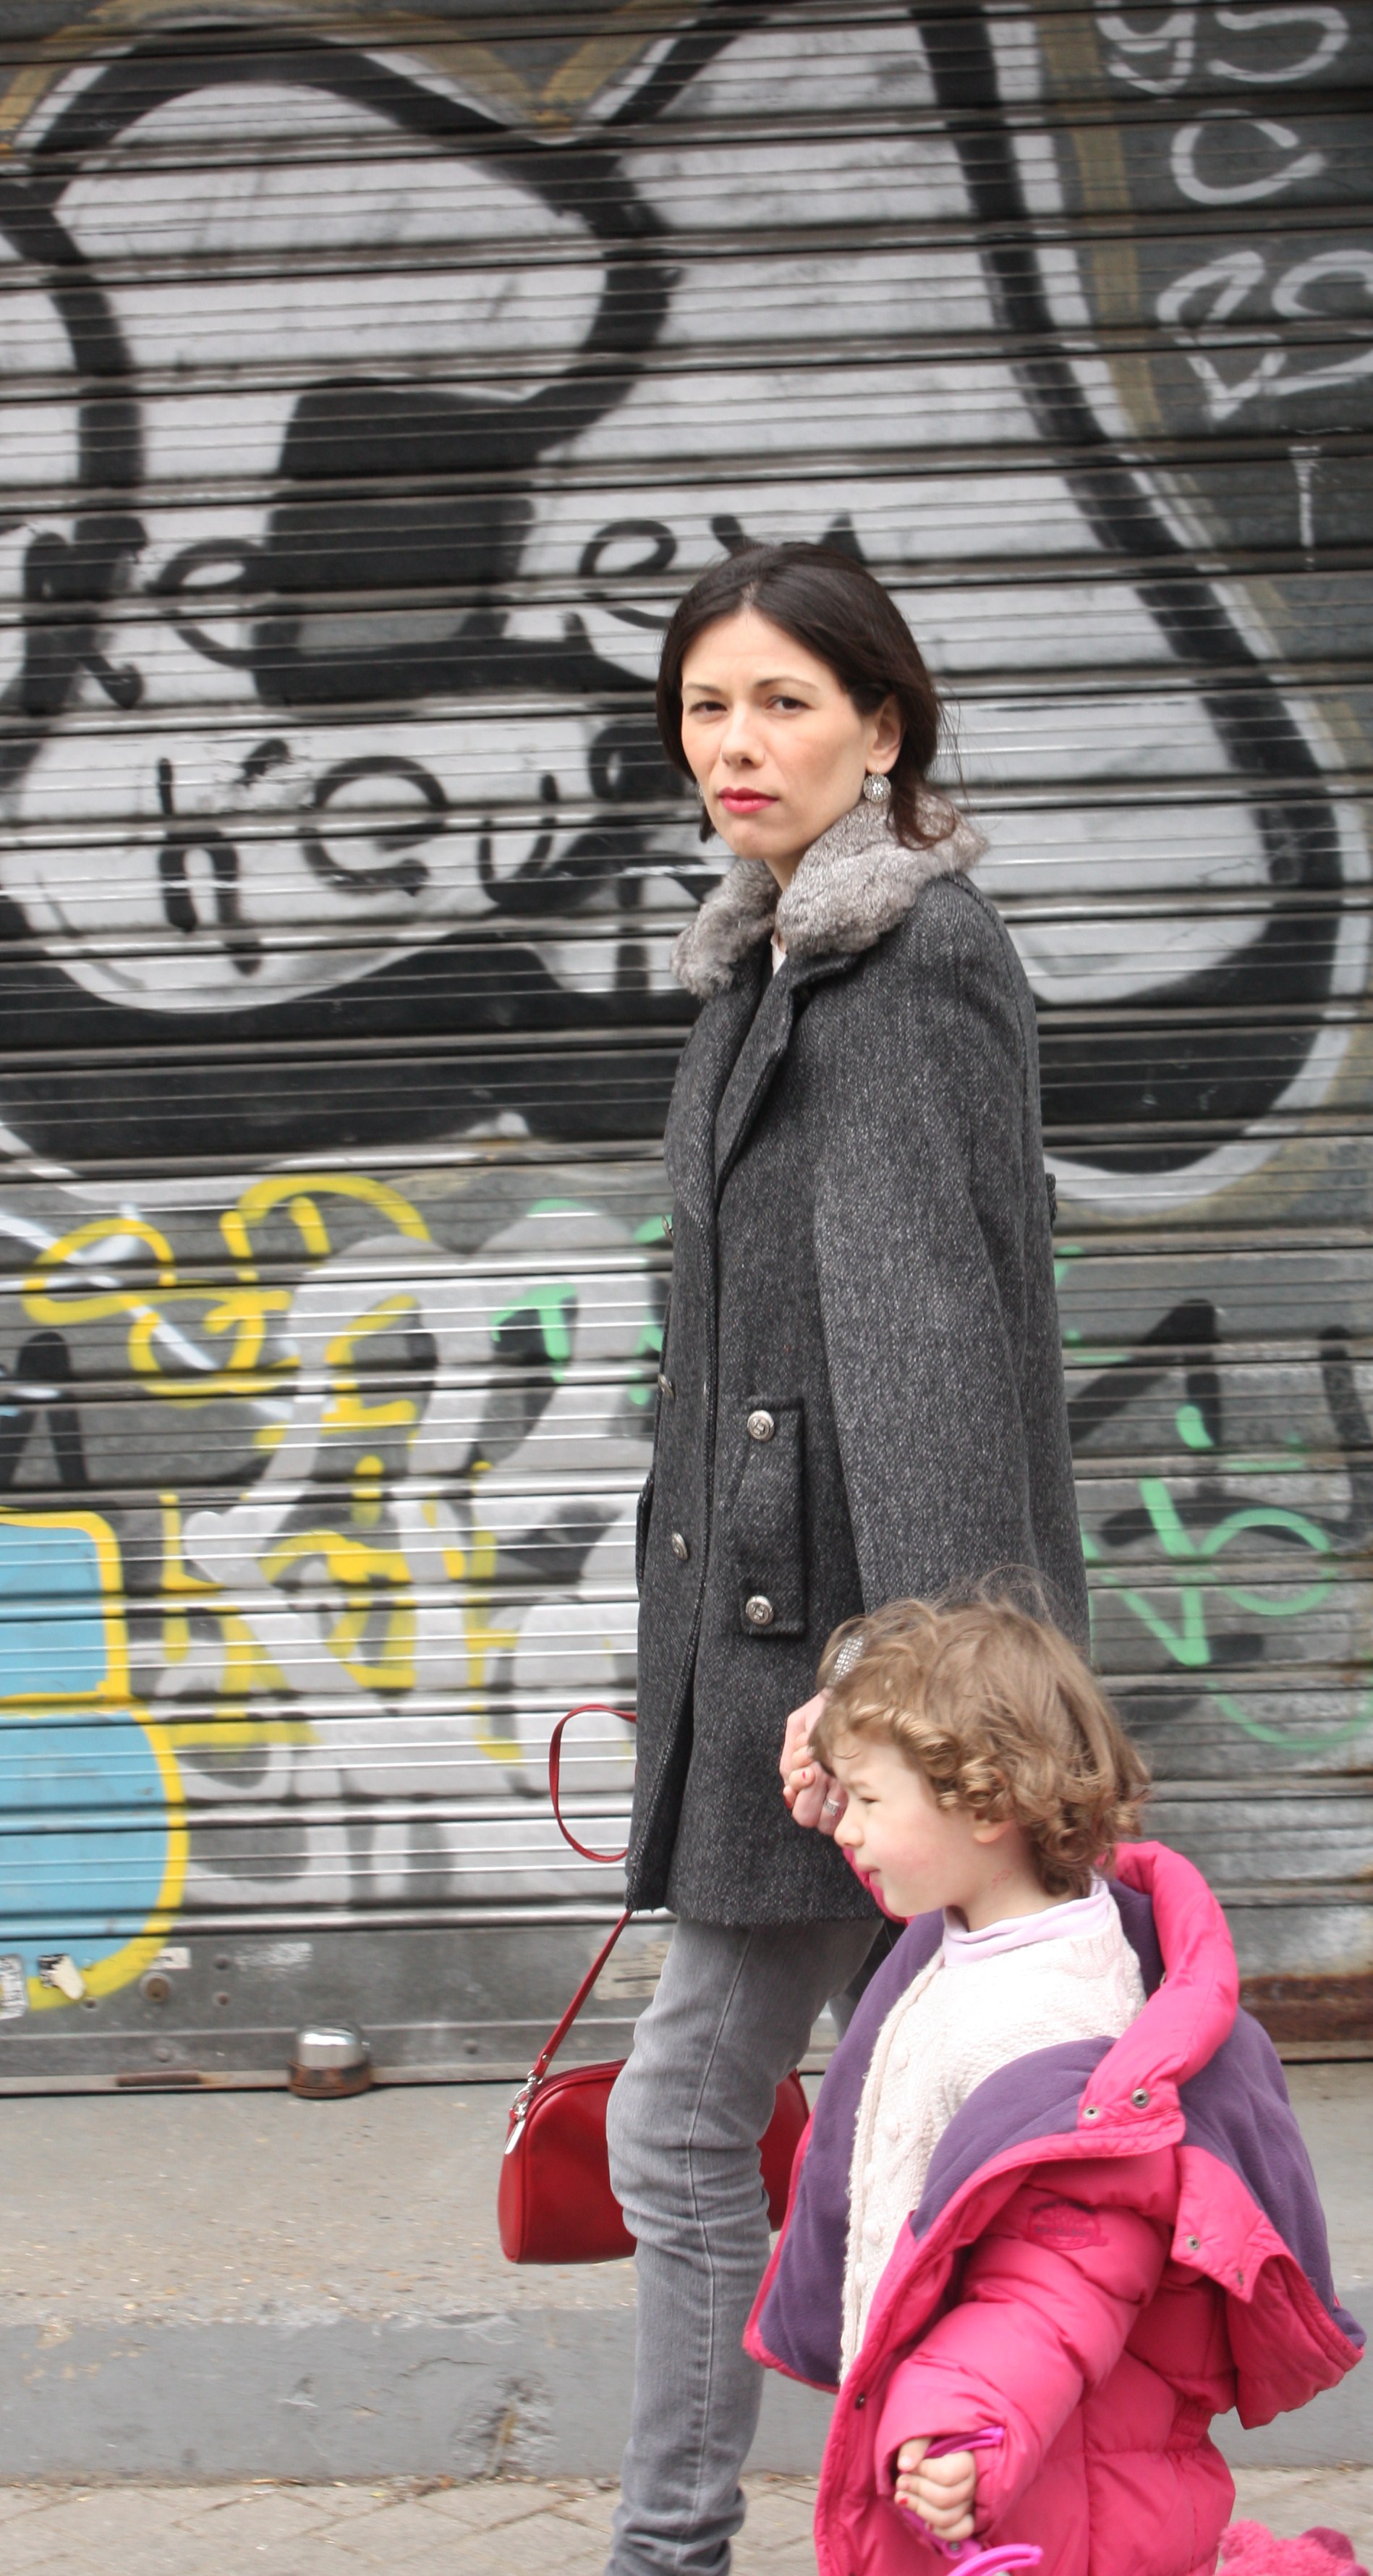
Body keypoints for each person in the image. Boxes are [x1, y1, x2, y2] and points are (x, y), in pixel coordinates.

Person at [606, 541, 1087, 2576]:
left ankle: (686, 2546)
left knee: (711, 2116)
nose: (737, 742)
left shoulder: (898, 963)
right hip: (786, 1653)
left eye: (784, 703)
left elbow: (927, 1346)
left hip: (845, 1675)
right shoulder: (772, 960)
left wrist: (914, 1697)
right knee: (922, 2131)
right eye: (706, 707)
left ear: (880, 729)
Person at [754, 1596, 1364, 2576]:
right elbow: (930, 1859)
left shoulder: (1043, 2025)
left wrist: (965, 2429)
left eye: (867, 1803)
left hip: (1041, 2493)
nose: (847, 1828)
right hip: (1011, 2447)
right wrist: (854, 1776)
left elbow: (1059, 2280)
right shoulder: (993, 1921)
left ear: (986, 1806)